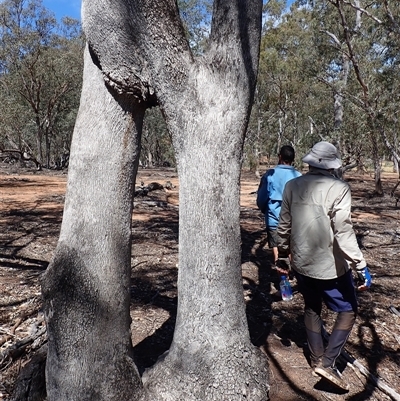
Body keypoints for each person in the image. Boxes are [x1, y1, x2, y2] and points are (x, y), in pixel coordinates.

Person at [277, 141, 372, 391]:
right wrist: (360, 264)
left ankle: (317, 359)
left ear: (310, 162)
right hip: (331, 267)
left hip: (301, 262)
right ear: (332, 165)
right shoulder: (339, 188)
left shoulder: (292, 185)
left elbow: (283, 225)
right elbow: (343, 230)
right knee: (349, 309)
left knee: (311, 307)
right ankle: (328, 364)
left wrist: (283, 256)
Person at [256, 145, 301, 267]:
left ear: (280, 157)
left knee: (276, 247)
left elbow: (262, 197)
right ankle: (292, 271)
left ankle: (282, 278)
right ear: (293, 159)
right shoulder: (299, 176)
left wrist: (264, 209)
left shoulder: (270, 174)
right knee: (291, 246)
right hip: (294, 220)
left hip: (274, 219)